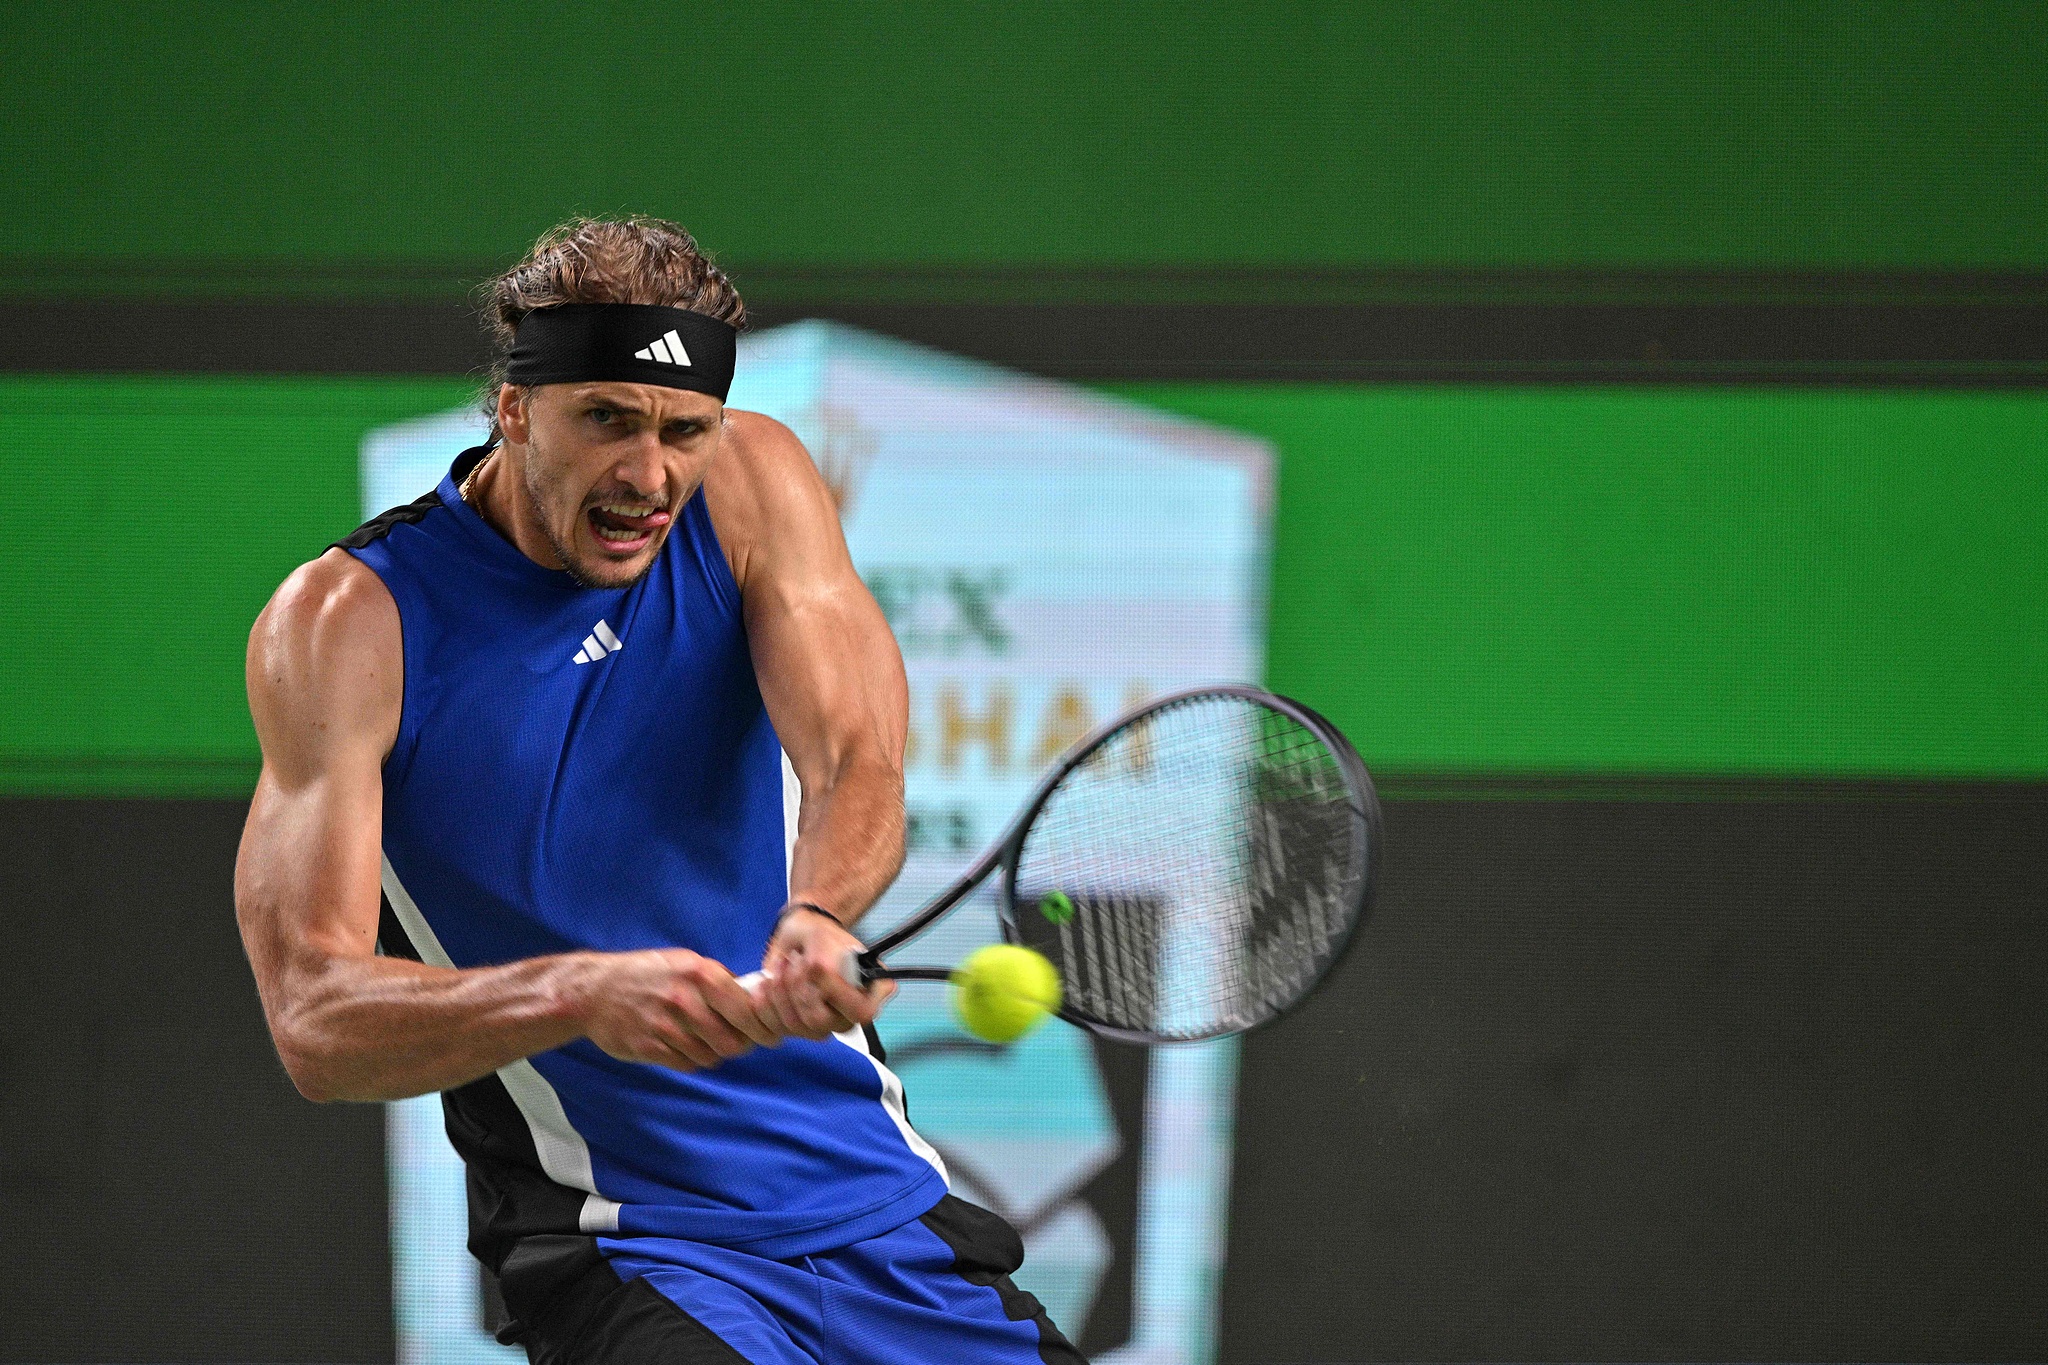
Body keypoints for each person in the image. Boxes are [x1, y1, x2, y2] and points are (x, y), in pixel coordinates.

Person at [235, 216, 1083, 1365]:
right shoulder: (350, 626)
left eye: (686, 430)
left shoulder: (753, 487)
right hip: (631, 1245)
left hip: (877, 1209)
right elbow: (315, 1022)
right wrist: (578, 994)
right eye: (608, 422)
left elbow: (853, 760)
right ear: (512, 405)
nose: (650, 476)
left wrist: (818, 914)